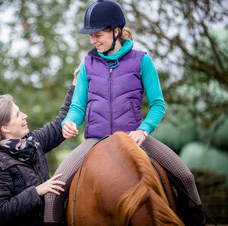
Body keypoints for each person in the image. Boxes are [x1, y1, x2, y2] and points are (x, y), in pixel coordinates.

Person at [44, 0, 205, 225]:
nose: (93, 41)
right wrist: (69, 122)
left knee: (186, 177)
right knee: (52, 193)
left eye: (98, 35)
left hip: (134, 138)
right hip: (96, 141)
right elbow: (78, 107)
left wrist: (143, 130)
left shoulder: (142, 61)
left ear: (116, 31)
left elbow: (158, 105)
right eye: (90, 36)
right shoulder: (87, 64)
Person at [0, 76, 76, 226]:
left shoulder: (31, 143)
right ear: (5, 128)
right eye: (18, 114)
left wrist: (75, 86)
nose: (25, 116)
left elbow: (60, 123)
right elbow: (0, 212)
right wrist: (37, 191)